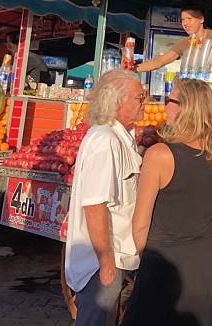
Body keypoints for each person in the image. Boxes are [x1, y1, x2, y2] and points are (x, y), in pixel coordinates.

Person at [122, 78, 212, 326]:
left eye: (169, 100)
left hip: (165, 265)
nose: (164, 105)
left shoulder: (160, 155)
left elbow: (140, 225)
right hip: (203, 262)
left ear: (183, 108)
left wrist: (142, 266)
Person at [65, 69, 145, 326]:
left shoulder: (119, 137)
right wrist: (105, 259)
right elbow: (94, 204)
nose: (145, 102)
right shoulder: (106, 141)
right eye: (139, 98)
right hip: (100, 263)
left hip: (111, 258)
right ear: (118, 101)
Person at [135, 6, 212, 73]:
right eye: (183, 20)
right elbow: (160, 61)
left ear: (201, 19)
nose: (185, 23)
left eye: (189, 19)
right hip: (196, 91)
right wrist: (134, 69)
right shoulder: (184, 43)